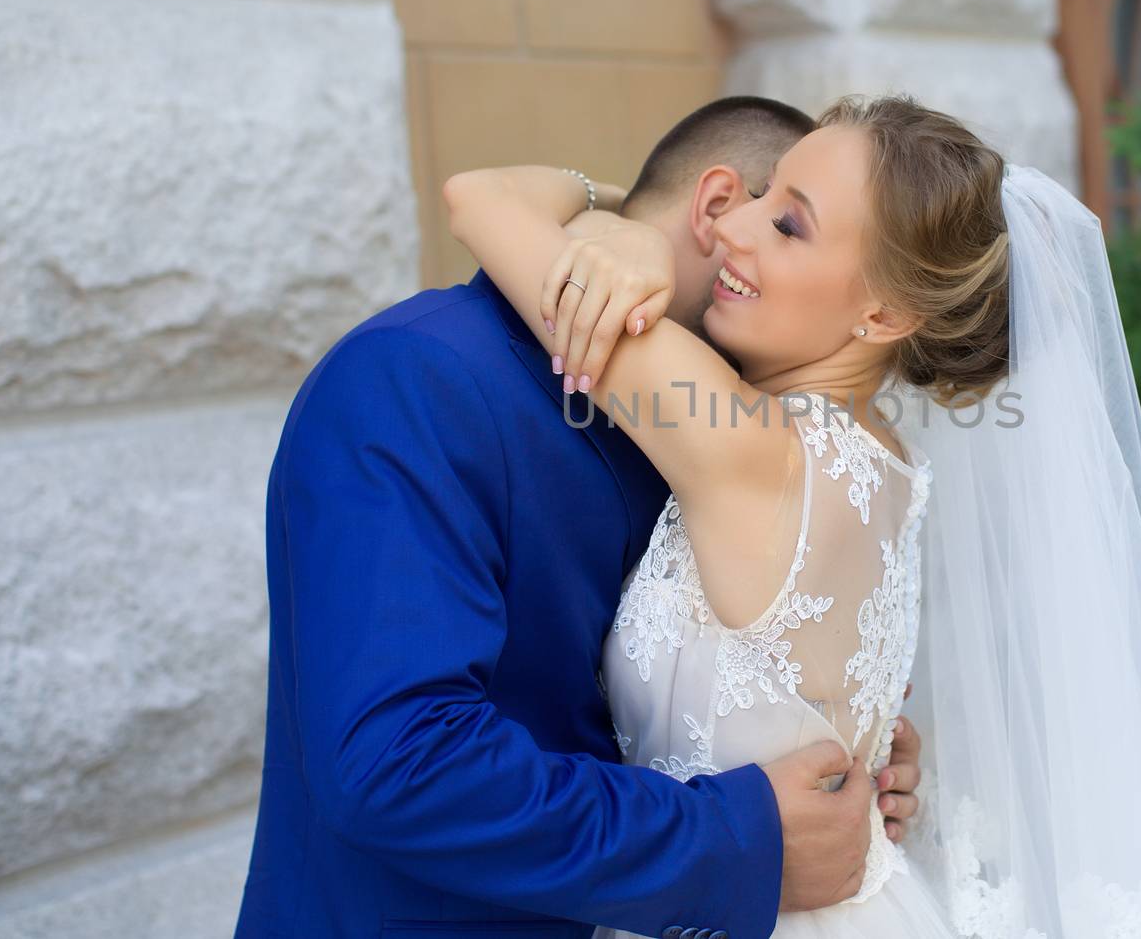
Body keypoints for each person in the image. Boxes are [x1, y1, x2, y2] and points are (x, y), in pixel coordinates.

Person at [445, 93, 1141, 939]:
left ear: (882, 315)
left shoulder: (747, 446)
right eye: (760, 196)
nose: (732, 229)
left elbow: (480, 198)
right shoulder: (891, 459)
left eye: (789, 225)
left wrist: (624, 216)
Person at [233, 96, 927, 939]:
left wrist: (837, 732)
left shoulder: (712, 427)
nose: (753, 232)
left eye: (787, 223)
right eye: (760, 208)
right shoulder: (414, 379)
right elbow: (396, 764)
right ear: (715, 209)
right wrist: (746, 836)